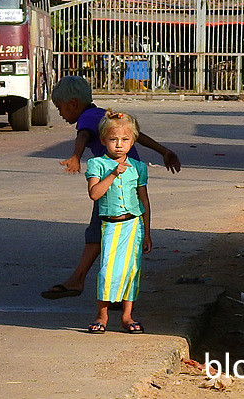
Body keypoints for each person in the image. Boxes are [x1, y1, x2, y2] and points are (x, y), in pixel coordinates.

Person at [40, 75, 181, 300]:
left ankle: (88, 284)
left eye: (60, 108)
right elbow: (136, 134)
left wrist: (76, 156)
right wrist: (163, 150)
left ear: (73, 104)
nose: (60, 113)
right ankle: (112, 290)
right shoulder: (104, 114)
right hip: (131, 177)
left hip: (116, 181)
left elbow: (83, 135)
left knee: (101, 230)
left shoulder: (87, 117)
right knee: (112, 232)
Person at [85, 111, 151, 333]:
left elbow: (144, 200)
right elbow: (95, 194)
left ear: (133, 141)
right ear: (103, 140)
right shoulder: (97, 164)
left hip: (133, 225)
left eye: (125, 140)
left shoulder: (138, 167)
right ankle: (102, 315)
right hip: (110, 226)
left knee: (132, 270)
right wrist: (113, 174)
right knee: (107, 271)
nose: (119, 145)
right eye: (113, 140)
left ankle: (127, 316)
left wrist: (148, 233)